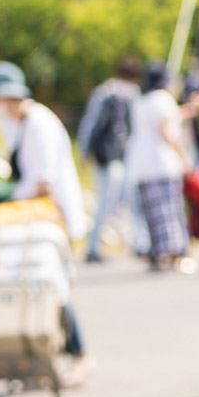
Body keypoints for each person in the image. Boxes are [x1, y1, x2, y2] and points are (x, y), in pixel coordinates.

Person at [0, 62, 91, 367]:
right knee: (39, 283)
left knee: (53, 283)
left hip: (51, 214)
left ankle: (76, 351)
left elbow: (43, 181)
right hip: (34, 210)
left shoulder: (39, 124)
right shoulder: (18, 124)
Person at [127, 62, 194, 273]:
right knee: (168, 211)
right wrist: (184, 157)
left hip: (141, 164)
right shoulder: (163, 99)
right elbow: (168, 132)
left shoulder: (141, 100)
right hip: (161, 163)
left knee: (152, 213)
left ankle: (157, 253)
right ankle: (172, 254)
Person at [78, 56, 140, 264]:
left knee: (119, 199)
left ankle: (131, 242)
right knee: (110, 200)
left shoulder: (110, 93)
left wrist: (85, 150)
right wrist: (85, 150)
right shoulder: (111, 94)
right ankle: (95, 247)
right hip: (113, 156)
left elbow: (90, 122)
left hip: (117, 156)